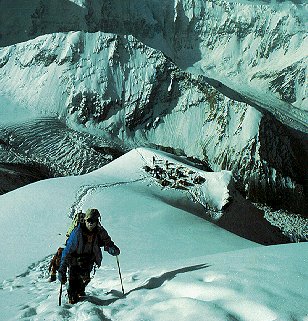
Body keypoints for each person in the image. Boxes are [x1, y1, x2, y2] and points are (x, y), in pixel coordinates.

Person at [58, 208, 120, 303]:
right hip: (74, 261)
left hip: (88, 261)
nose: (91, 223)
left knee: (83, 283)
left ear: (97, 221)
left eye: (94, 220)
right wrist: (62, 269)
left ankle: (80, 294)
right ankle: (72, 299)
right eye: (89, 220)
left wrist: (112, 248)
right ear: (85, 220)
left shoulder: (99, 231)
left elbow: (107, 242)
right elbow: (67, 251)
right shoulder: (77, 233)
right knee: (73, 288)